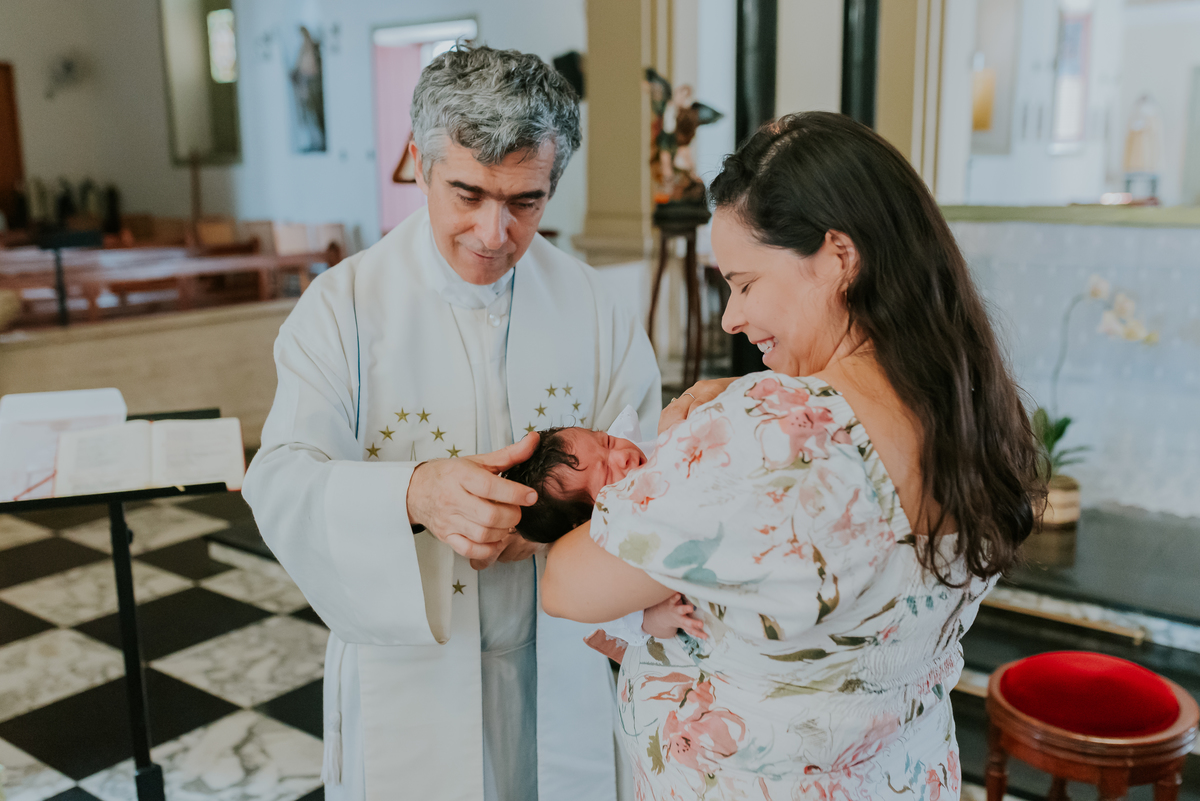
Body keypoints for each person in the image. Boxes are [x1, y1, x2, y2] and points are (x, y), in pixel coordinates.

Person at [540, 111, 1040, 799]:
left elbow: (568, 582)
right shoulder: (972, 401)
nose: (730, 318)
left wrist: (681, 445)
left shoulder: (779, 430)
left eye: (744, 283)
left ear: (839, 256)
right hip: (904, 775)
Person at [242, 45, 660, 801]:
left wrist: (553, 526)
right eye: (467, 192)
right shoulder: (343, 308)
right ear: (418, 164)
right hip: (412, 669)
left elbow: (650, 469)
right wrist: (416, 494)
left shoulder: (595, 308)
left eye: (525, 201)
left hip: (558, 657)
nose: (494, 231)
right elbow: (279, 480)